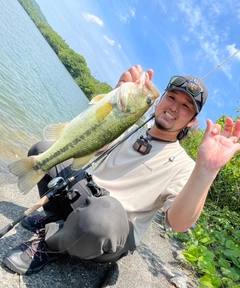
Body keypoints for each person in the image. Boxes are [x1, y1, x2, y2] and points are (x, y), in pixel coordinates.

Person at [3, 65, 240, 275]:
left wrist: (207, 169)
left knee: (102, 215)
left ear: (192, 122)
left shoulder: (185, 165)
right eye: (171, 97)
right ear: (160, 100)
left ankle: (50, 242)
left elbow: (178, 223)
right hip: (84, 198)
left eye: (186, 106)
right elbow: (92, 144)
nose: (174, 107)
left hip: (108, 229)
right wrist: (114, 98)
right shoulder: (130, 129)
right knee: (42, 151)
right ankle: (57, 220)